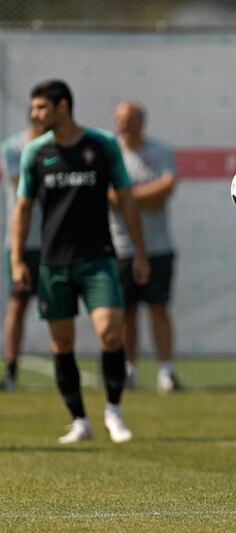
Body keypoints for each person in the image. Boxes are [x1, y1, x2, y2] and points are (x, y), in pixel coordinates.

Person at [11, 80, 150, 444]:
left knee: (110, 331)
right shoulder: (35, 152)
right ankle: (79, 421)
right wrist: (17, 259)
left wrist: (139, 251)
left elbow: (127, 198)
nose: (34, 114)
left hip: (98, 259)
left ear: (63, 107)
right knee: (62, 343)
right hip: (53, 263)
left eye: (41, 107)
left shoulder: (102, 145)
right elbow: (23, 208)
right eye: (33, 108)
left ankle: (114, 411)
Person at [109, 101, 180, 394]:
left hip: (158, 247)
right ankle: (129, 369)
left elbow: (166, 188)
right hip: (121, 247)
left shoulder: (160, 151)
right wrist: (143, 197)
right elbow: (110, 196)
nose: (123, 125)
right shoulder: (109, 152)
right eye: (119, 119)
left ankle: (166, 371)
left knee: (159, 308)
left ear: (141, 122)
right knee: (126, 312)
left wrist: (129, 197)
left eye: (129, 119)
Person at [1, 118, 45, 391]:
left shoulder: (61, 146)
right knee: (17, 305)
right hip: (20, 243)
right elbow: (24, 187)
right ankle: (11, 373)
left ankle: (66, 371)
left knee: (57, 310)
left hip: (54, 244)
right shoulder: (13, 147)